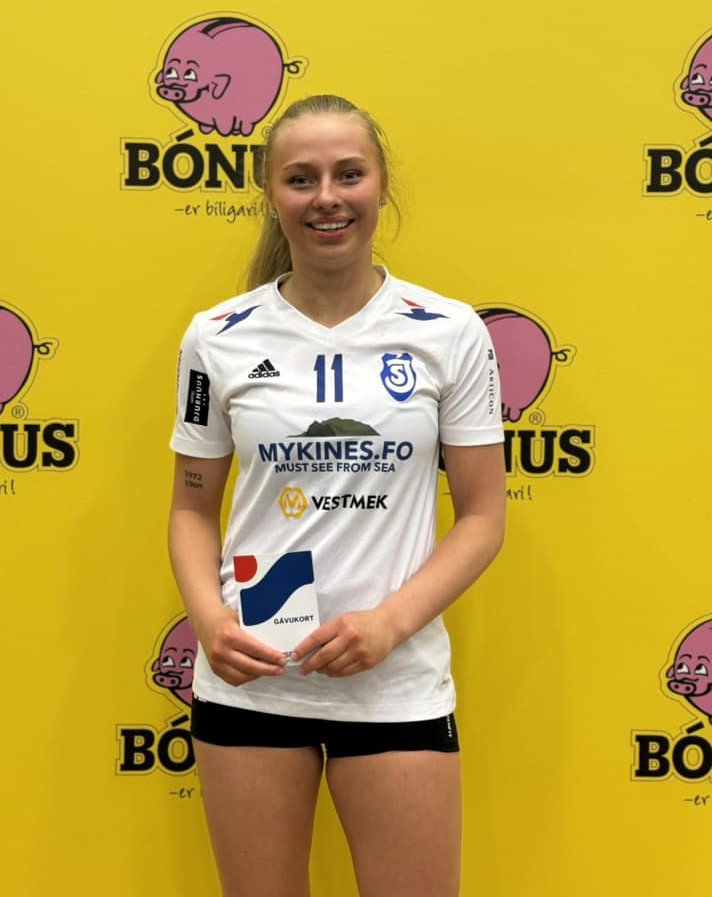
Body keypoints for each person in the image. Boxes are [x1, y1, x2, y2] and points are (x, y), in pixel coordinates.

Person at [168, 94, 506, 897]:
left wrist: (388, 623)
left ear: (381, 186)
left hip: (395, 684)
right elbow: (190, 507)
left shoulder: (449, 330)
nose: (327, 196)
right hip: (253, 681)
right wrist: (210, 622)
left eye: (349, 174)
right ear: (271, 194)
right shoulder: (216, 336)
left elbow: (484, 516)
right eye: (301, 178)